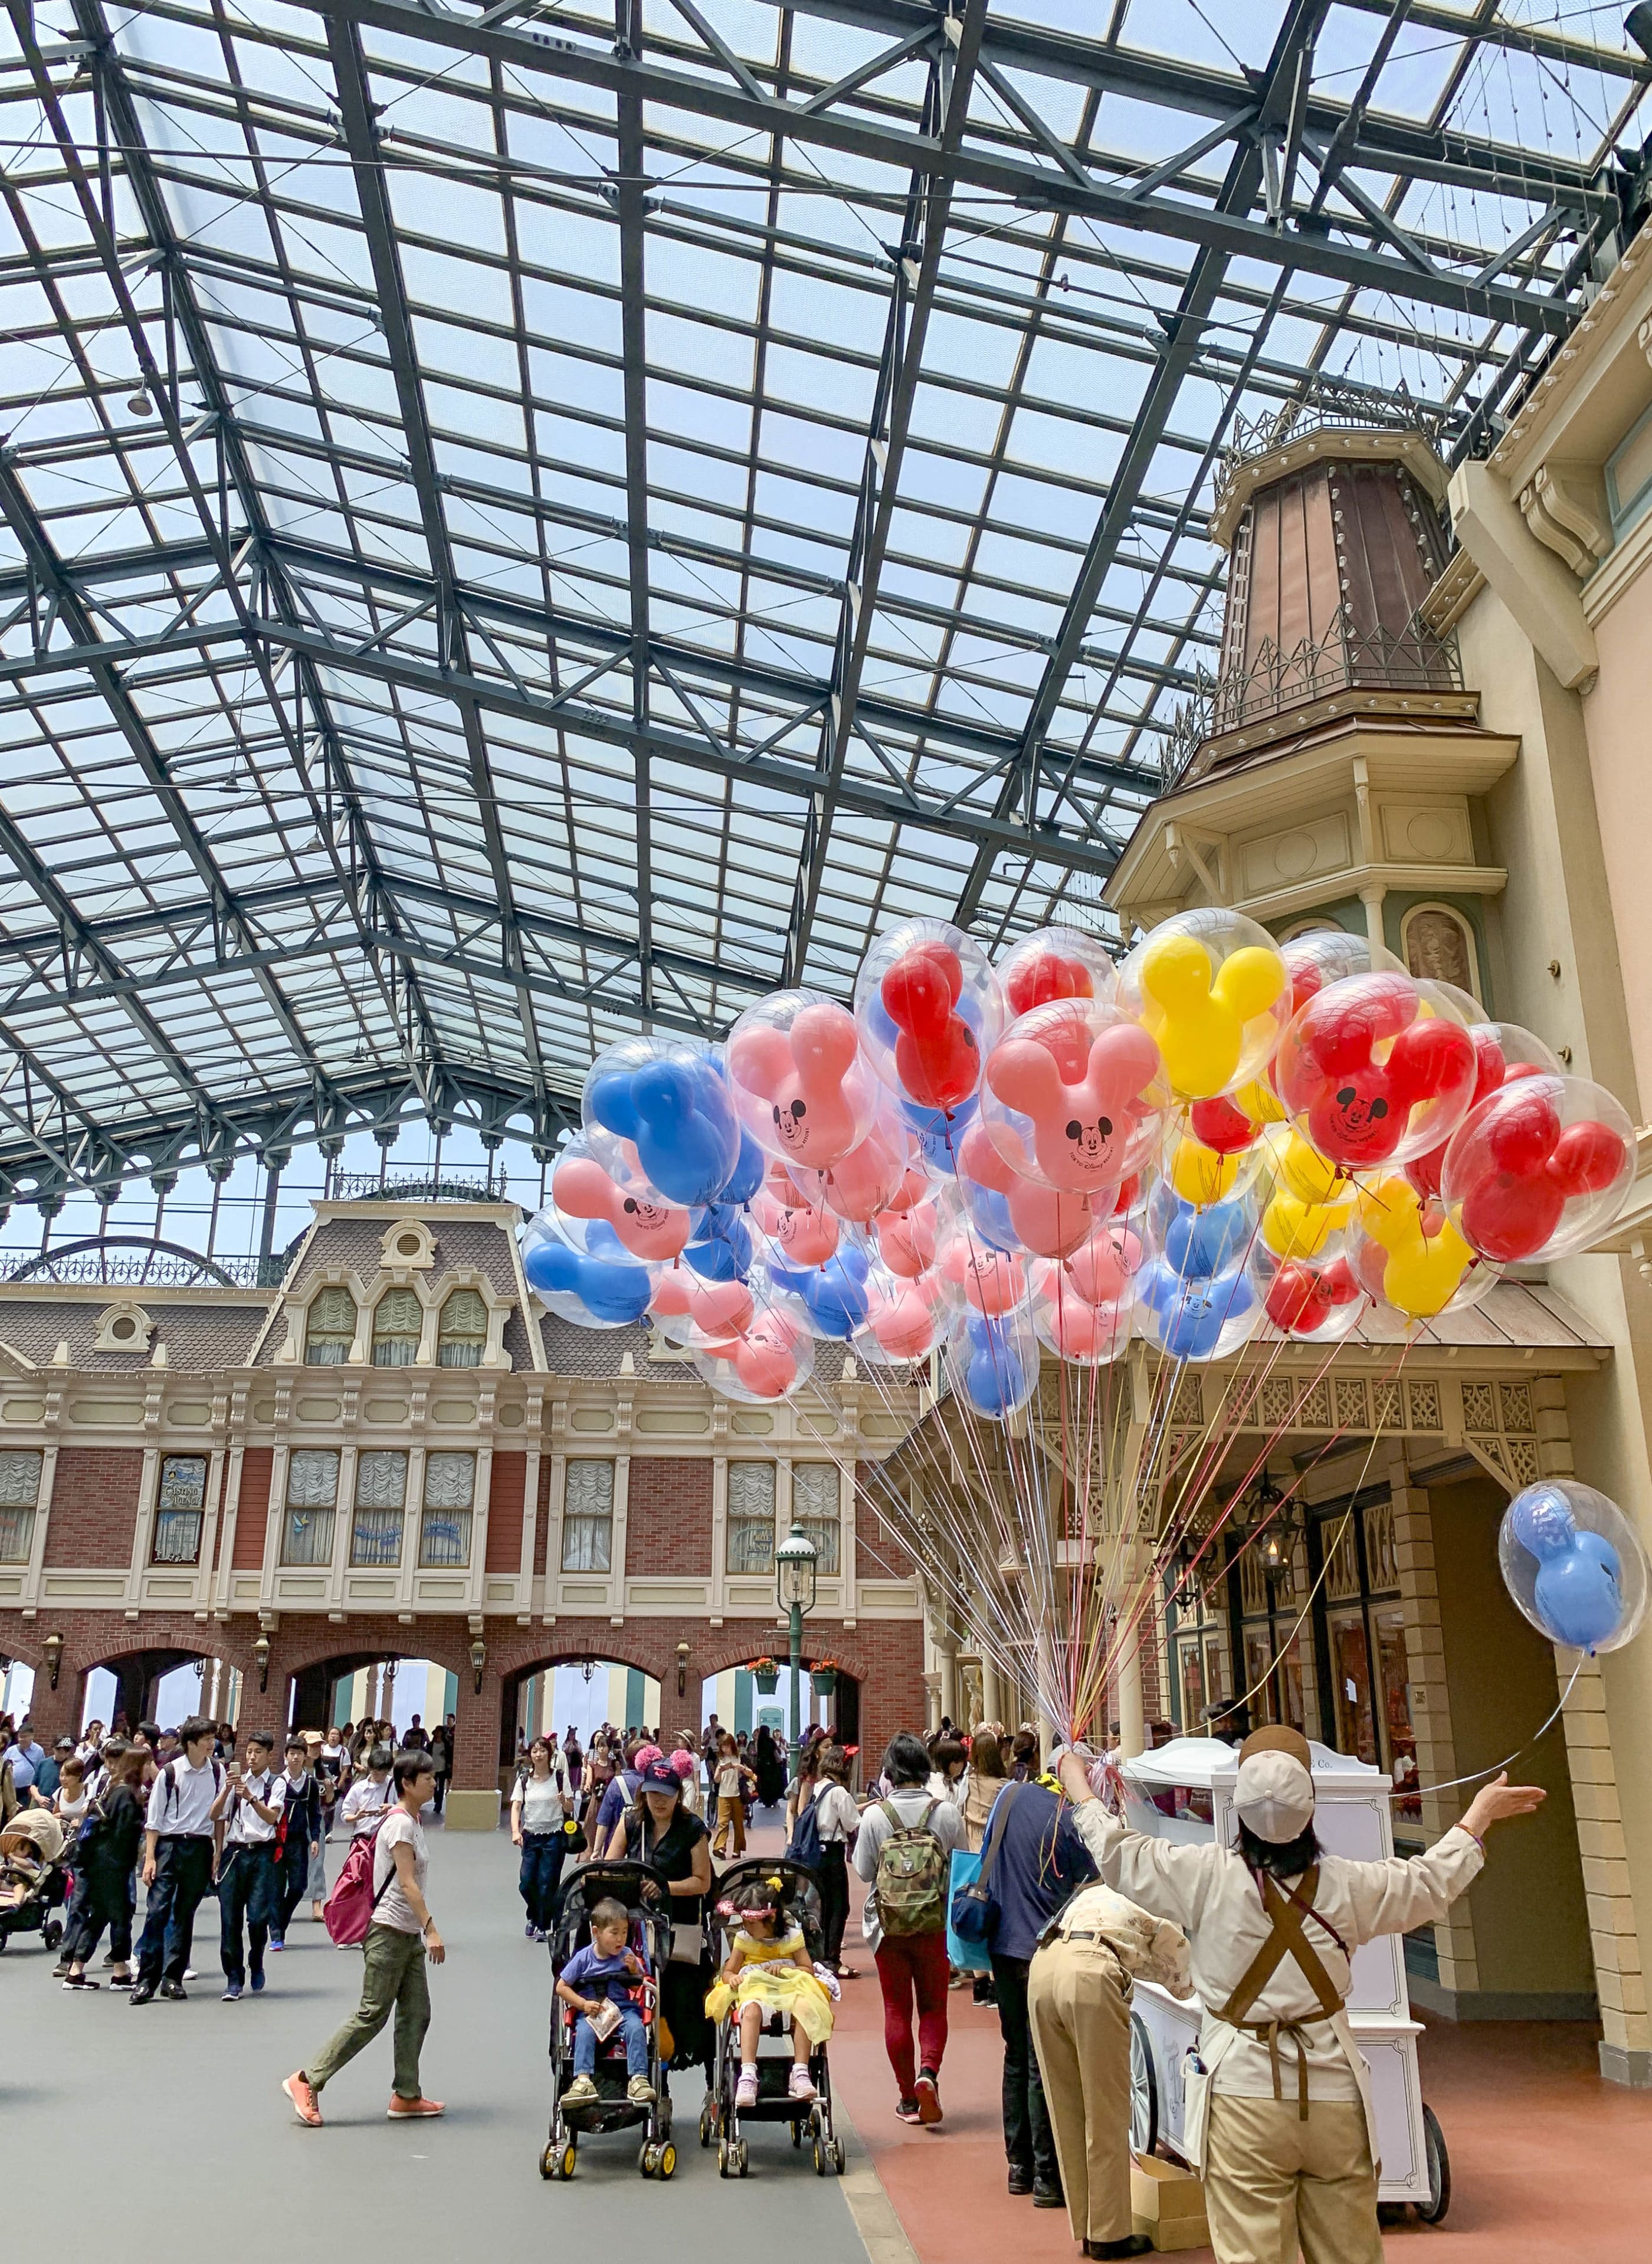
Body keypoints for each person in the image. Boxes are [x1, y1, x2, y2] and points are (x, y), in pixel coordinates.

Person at [1054, 1729, 1546, 2264]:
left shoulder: (1202, 1877)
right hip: (1334, 2091)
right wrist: (1477, 1818)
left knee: (1253, 2252)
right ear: (1311, 1808)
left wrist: (1080, 1784)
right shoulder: (1351, 1886)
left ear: (1239, 1809)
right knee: (1349, 2251)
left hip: (1241, 2091)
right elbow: (1429, 1881)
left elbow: (1118, 1851)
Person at [283, 1750, 445, 2126]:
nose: (434, 1783)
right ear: (408, 1783)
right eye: (428, 1778)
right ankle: (307, 2079)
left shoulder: (412, 1820)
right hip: (388, 1931)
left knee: (417, 2013)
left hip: (404, 1935)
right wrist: (431, 1928)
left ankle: (407, 2094)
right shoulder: (402, 1826)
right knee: (371, 2014)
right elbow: (406, 1883)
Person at [979, 1769, 1099, 2208]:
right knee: (1040, 2061)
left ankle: (1019, 2166)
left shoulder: (1007, 1798)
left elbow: (986, 1854)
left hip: (1002, 1944)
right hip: (1041, 1947)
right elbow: (1093, 1873)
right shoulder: (1067, 1819)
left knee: (1015, 2053)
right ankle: (1049, 2174)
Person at [854, 1731, 965, 2127]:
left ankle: (906, 2096)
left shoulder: (874, 1815)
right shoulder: (947, 1812)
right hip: (934, 1924)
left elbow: (865, 1870)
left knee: (895, 2007)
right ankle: (928, 2072)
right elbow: (961, 1867)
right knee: (934, 2006)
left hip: (888, 1926)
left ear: (889, 1771)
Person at [615, 1755, 714, 2083]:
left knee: (681, 2001)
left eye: (667, 1795)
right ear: (643, 1792)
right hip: (634, 1930)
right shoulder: (631, 1822)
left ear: (678, 1795)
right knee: (635, 1996)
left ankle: (682, 2067)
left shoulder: (693, 1829)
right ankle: (641, 2072)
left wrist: (664, 1888)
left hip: (679, 1932)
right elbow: (609, 1866)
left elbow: (702, 1881)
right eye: (653, 1793)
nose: (659, 1801)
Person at [706, 1874, 834, 2107]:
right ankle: (747, 2074)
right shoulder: (744, 1939)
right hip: (757, 1989)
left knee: (806, 2008)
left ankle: (801, 2071)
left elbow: (807, 1969)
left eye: (751, 1923)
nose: (745, 1927)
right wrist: (733, 1978)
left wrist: (786, 1969)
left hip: (790, 1988)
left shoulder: (793, 1938)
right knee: (751, 2011)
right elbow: (728, 1972)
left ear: (771, 1917)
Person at [132, 1713, 224, 2004]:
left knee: (185, 1913)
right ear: (192, 1743)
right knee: (158, 1911)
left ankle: (173, 1977)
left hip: (199, 1847)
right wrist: (149, 1858)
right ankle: (147, 1978)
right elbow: (154, 1820)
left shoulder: (218, 1772)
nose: (212, 1744)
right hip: (170, 1846)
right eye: (207, 1739)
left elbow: (220, 1817)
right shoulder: (171, 1773)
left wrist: (218, 1852)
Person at [58, 1739, 145, 1990]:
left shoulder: (112, 1788)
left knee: (99, 1916)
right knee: (119, 1917)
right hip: (114, 1865)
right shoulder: (128, 1794)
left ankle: (78, 1970)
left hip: (98, 1862)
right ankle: (119, 1972)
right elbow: (124, 1835)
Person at [557, 1894, 655, 2106]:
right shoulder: (583, 1958)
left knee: (636, 2028)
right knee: (582, 2032)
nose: (621, 1939)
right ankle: (583, 2081)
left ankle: (638, 2079)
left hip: (622, 2010)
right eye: (615, 1933)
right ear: (596, 1933)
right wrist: (582, 2004)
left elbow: (639, 1986)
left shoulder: (627, 1955)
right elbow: (561, 1987)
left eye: (625, 1932)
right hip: (593, 2011)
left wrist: (633, 1970)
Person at [213, 1729, 282, 2000]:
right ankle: (233, 1977)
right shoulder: (236, 1782)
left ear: (269, 1755)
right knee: (230, 1918)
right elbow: (215, 1814)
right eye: (249, 1752)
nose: (252, 1757)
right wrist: (229, 1790)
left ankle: (256, 1958)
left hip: (262, 1854)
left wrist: (250, 1797)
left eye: (258, 1752)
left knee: (257, 1918)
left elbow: (271, 1819)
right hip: (235, 1853)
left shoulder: (275, 1784)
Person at [798, 1742, 858, 1979]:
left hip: (814, 1852)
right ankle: (832, 1960)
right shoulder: (839, 1792)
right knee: (839, 1906)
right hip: (832, 1852)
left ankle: (817, 1956)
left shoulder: (817, 1787)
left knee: (819, 1906)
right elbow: (853, 1823)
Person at [512, 1735, 573, 1941]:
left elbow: (570, 1807)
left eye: (543, 1750)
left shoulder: (559, 1777)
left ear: (550, 1753)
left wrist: (564, 1801)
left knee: (547, 1882)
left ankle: (542, 1925)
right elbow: (517, 1806)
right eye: (535, 1751)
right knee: (527, 1882)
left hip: (554, 1835)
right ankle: (533, 1915)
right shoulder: (524, 1780)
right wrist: (515, 1831)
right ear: (530, 1755)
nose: (538, 1754)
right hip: (531, 1835)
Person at [272, 1735, 323, 1944]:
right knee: (276, 1886)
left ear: (305, 1757)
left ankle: (281, 1919)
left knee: (298, 1886)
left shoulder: (310, 1784)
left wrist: (315, 1839)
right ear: (285, 1756)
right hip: (276, 1842)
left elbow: (315, 1813)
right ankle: (276, 1934)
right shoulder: (277, 1782)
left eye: (299, 1754)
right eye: (292, 1754)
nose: (295, 1758)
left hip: (299, 1841)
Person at [710, 1732, 756, 1858]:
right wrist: (720, 1770)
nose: (724, 1749)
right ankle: (720, 1847)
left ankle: (738, 1849)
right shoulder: (720, 1759)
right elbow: (717, 1780)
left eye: (727, 1746)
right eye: (722, 1747)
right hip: (723, 1794)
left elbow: (751, 1773)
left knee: (738, 1823)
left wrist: (741, 1768)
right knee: (723, 1822)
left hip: (737, 1794)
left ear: (732, 1746)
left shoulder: (740, 1757)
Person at [340, 1744, 395, 1837]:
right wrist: (357, 1817)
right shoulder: (358, 1789)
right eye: (376, 1773)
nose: (380, 1777)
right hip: (363, 1839)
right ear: (370, 1769)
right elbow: (346, 1815)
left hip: (388, 1838)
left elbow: (405, 1808)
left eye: (384, 1774)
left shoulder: (394, 1785)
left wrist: (391, 1807)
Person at [2, 1719, 44, 1800]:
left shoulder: (39, 1751)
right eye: (20, 1736)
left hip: (28, 1790)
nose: (22, 1739)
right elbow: (3, 1766)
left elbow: (41, 1771)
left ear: (32, 1736)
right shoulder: (12, 1750)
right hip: (10, 1788)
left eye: (25, 1737)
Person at [753, 1724, 786, 1810]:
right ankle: (773, 1800)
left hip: (762, 1767)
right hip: (772, 1766)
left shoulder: (760, 1742)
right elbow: (776, 1751)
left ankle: (766, 1801)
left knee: (764, 1784)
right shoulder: (770, 1741)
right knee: (773, 1783)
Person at [428, 1725, 449, 1816]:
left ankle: (438, 1805)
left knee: (441, 1787)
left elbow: (449, 1755)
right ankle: (436, 1798)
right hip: (433, 1768)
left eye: (439, 1731)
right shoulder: (431, 1744)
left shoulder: (446, 1744)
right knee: (434, 1786)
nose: (438, 1733)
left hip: (442, 1768)